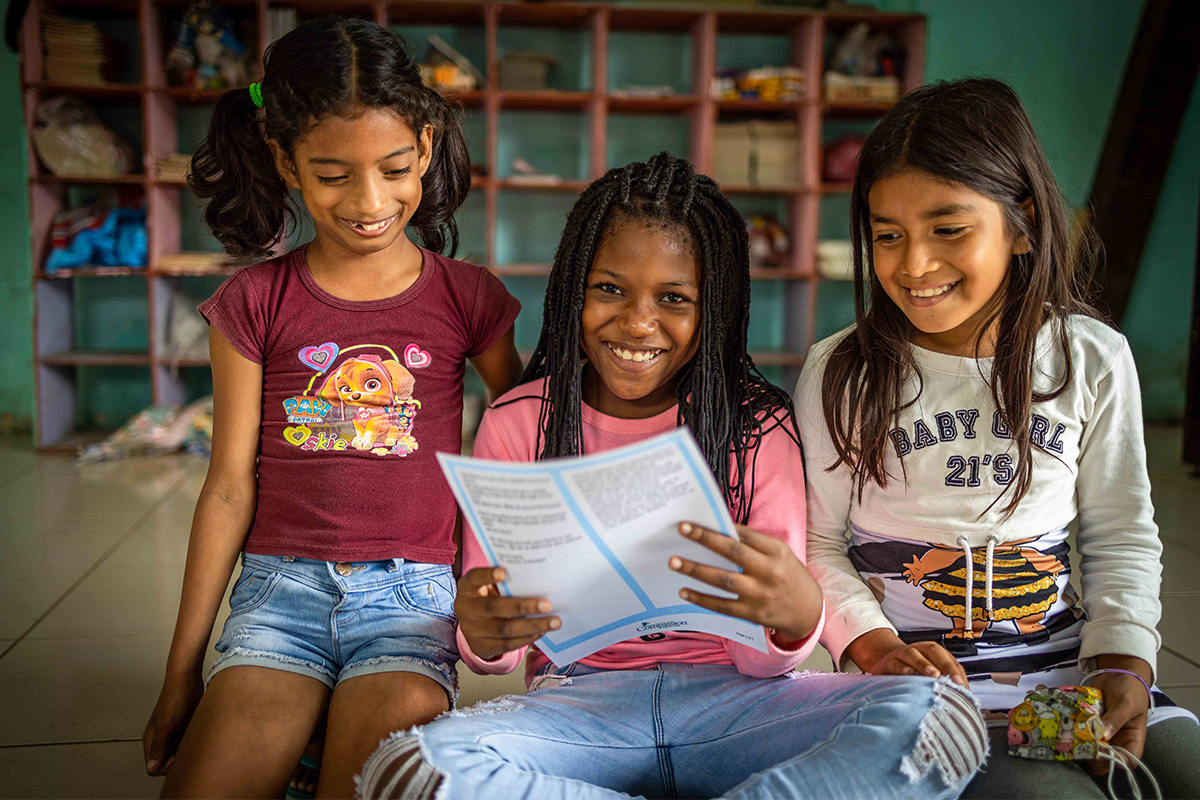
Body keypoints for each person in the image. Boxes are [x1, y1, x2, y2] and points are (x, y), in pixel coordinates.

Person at [356, 152, 988, 800]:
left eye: (674, 298)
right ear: (573, 286)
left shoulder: (758, 427)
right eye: (609, 289)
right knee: (408, 769)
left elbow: (765, 656)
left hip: (739, 704)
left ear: (712, 307)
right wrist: (484, 634)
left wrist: (797, 620)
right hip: (578, 707)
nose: (636, 322)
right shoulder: (519, 422)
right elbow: (498, 647)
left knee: (941, 719)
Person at [141, 17, 523, 798]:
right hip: (279, 599)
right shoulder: (253, 302)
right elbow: (226, 486)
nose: (370, 201)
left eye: (392, 168)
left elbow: (520, 441)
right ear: (285, 162)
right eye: (332, 173)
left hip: (413, 600)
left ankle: (318, 747)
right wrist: (183, 674)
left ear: (423, 144)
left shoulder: (469, 297)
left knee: (364, 787)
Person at [796, 77, 1200, 798]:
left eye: (948, 229)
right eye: (887, 234)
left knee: (1184, 774)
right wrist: (874, 644)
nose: (913, 264)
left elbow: (1121, 537)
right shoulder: (842, 371)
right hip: (920, 693)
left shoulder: (1091, 357)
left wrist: (1123, 664)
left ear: (1024, 225)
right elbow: (819, 546)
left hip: (1072, 672)